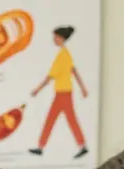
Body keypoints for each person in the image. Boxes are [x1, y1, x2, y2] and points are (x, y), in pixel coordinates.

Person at [28, 26, 90, 159]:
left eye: (55, 37)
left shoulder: (62, 56)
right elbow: (74, 71)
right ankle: (81, 145)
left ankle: (41, 147)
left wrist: (37, 90)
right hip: (64, 93)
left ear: (61, 38)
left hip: (63, 94)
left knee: (53, 119)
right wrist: (83, 88)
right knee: (67, 120)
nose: (54, 40)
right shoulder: (66, 54)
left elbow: (50, 77)